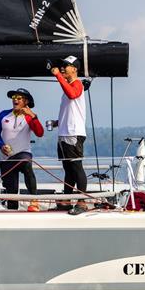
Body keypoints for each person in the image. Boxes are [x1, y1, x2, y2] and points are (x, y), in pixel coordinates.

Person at [0, 88, 44, 212]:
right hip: (6, 156)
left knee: (26, 163)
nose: (15, 99)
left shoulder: (30, 117)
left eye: (19, 98)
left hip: (23, 152)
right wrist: (1, 145)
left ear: (26, 101)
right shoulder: (3, 114)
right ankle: (12, 212)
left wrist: (33, 116)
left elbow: (40, 133)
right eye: (13, 97)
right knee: (11, 193)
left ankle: (34, 200)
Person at [50, 55, 88, 215]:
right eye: (62, 65)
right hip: (65, 132)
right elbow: (71, 110)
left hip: (73, 133)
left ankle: (82, 201)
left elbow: (73, 94)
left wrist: (58, 76)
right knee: (68, 169)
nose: (63, 68)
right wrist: (58, 122)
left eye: (66, 65)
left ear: (75, 68)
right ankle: (67, 199)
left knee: (76, 167)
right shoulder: (68, 87)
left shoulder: (77, 84)